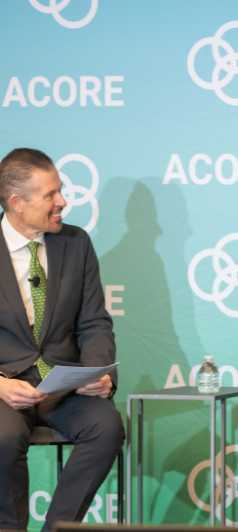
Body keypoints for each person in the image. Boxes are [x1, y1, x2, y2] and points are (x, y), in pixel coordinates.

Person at [0, 148, 124, 531]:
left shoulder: (75, 242)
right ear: (17, 203)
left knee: (108, 428)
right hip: (5, 390)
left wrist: (97, 375)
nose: (62, 202)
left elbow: (95, 322)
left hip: (64, 388)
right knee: (2, 437)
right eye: (50, 195)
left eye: (61, 190)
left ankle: (59, 528)